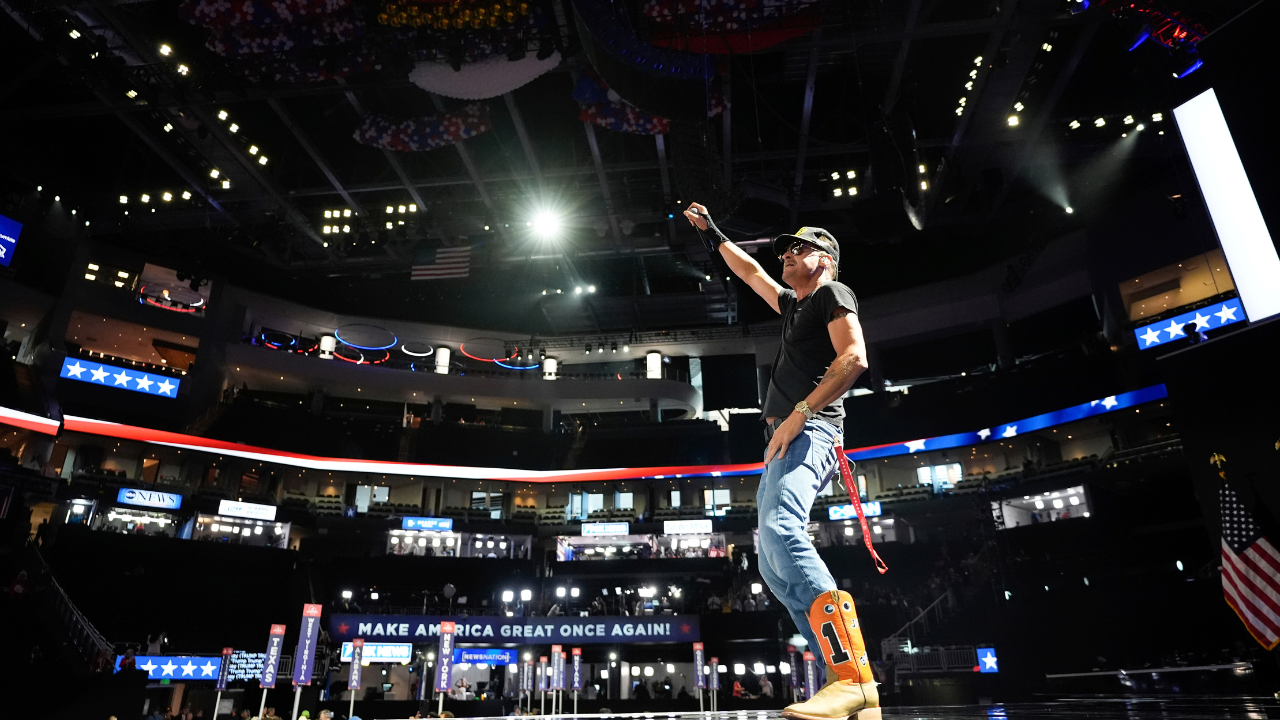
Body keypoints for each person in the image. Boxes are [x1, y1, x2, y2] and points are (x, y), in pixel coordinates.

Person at [685, 204, 877, 720]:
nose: (787, 255)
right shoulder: (796, 306)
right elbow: (749, 271)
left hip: (810, 428)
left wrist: (799, 413)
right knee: (770, 558)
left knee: (780, 529)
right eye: (786, 249)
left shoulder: (833, 294)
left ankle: (852, 678)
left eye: (798, 248)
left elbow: (854, 358)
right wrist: (712, 234)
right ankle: (850, 696)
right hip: (784, 437)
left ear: (824, 259)